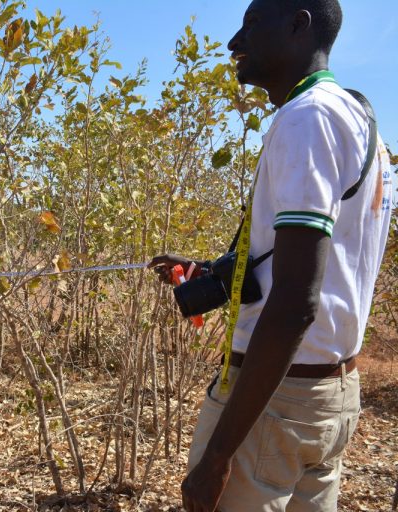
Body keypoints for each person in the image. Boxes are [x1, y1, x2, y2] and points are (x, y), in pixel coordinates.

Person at [149, 1, 394, 510]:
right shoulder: (361, 123)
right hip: (329, 398)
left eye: (252, 24)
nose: (235, 43)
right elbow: (317, 270)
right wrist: (218, 273)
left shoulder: (307, 119)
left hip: (274, 406)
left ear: (297, 26)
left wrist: (218, 456)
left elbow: (297, 302)